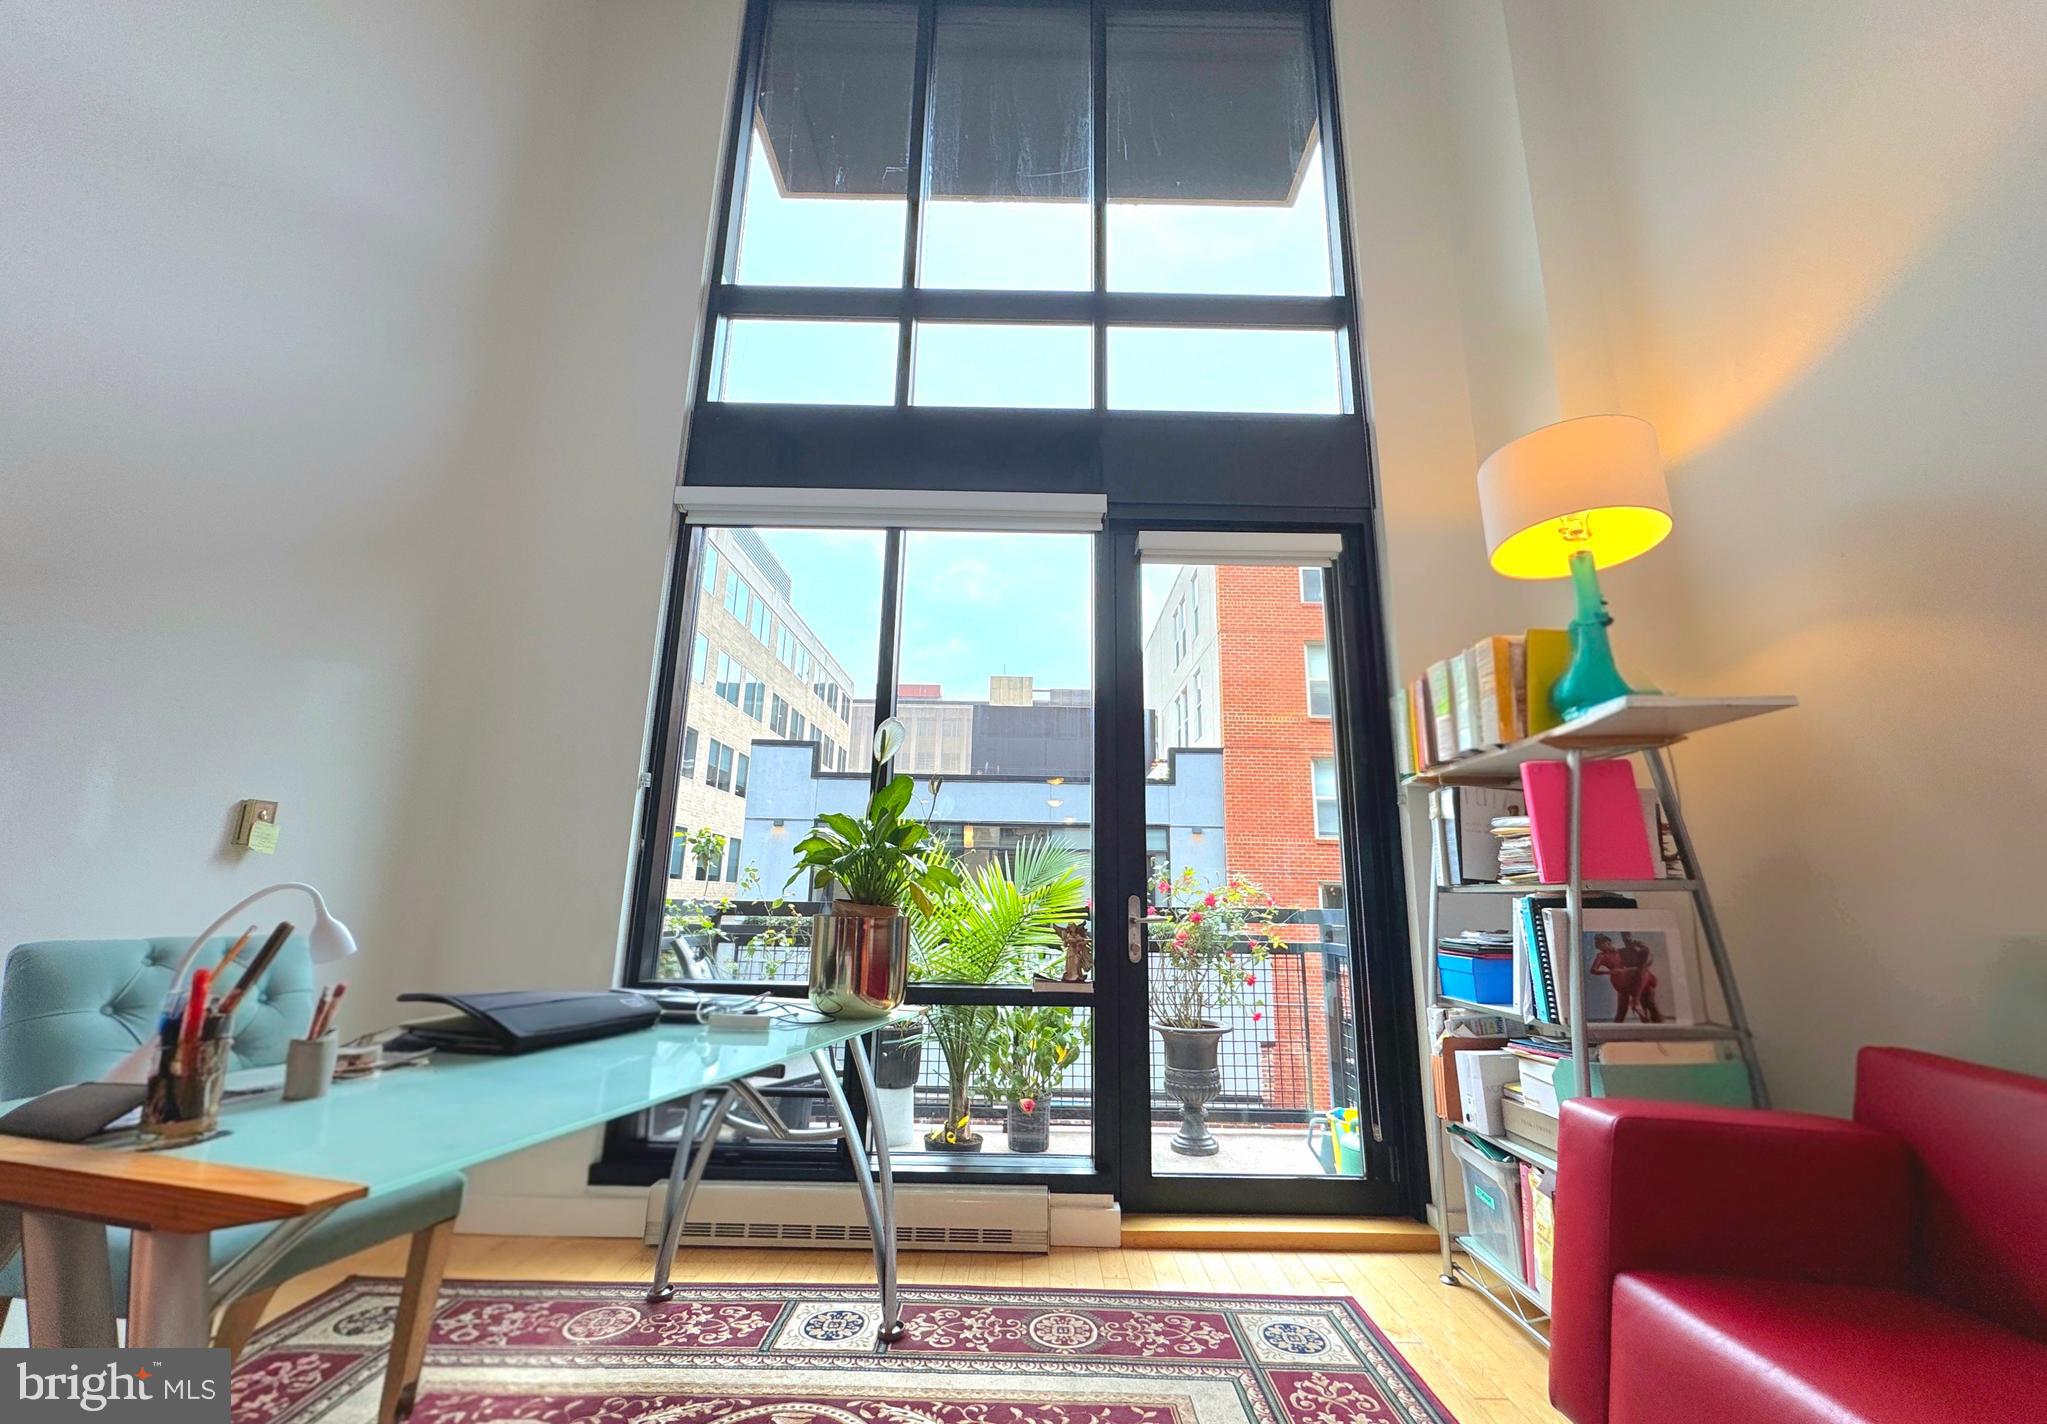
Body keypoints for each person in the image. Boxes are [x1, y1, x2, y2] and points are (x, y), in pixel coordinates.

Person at [1588, 932, 1665, 1023]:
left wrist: (1640, 946)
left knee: (1647, 1000)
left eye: (1602, 944)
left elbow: (1644, 957)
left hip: (1629, 976)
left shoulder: (1621, 951)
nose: (1601, 947)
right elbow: (1593, 970)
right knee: (1623, 1008)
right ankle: (1636, 1003)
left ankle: (1640, 1009)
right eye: (1599, 946)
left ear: (1608, 942)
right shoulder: (1601, 955)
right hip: (1620, 979)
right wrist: (1610, 972)